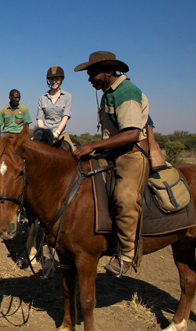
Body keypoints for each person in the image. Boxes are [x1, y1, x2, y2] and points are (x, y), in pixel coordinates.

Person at [73, 51, 150, 275]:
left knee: (124, 197)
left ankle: (126, 254)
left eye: (92, 73)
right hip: (113, 154)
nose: (90, 79)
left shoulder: (126, 91)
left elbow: (132, 134)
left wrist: (93, 146)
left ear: (109, 71)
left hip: (131, 155)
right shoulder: (109, 93)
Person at [36, 66, 72, 139]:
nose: (54, 81)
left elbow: (66, 117)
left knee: (72, 149)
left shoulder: (67, 96)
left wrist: (57, 132)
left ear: (61, 79)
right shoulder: (42, 98)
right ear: (48, 80)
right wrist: (43, 133)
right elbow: (40, 118)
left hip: (61, 133)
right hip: (45, 133)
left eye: (57, 79)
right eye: (52, 79)